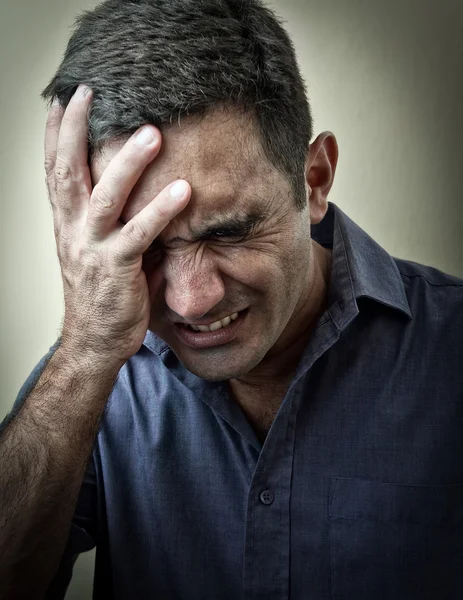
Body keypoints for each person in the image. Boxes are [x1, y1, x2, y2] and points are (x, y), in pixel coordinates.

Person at [1, 0, 463, 598]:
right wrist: (87, 351)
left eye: (228, 231)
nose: (191, 301)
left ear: (315, 178)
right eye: (145, 246)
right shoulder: (93, 373)